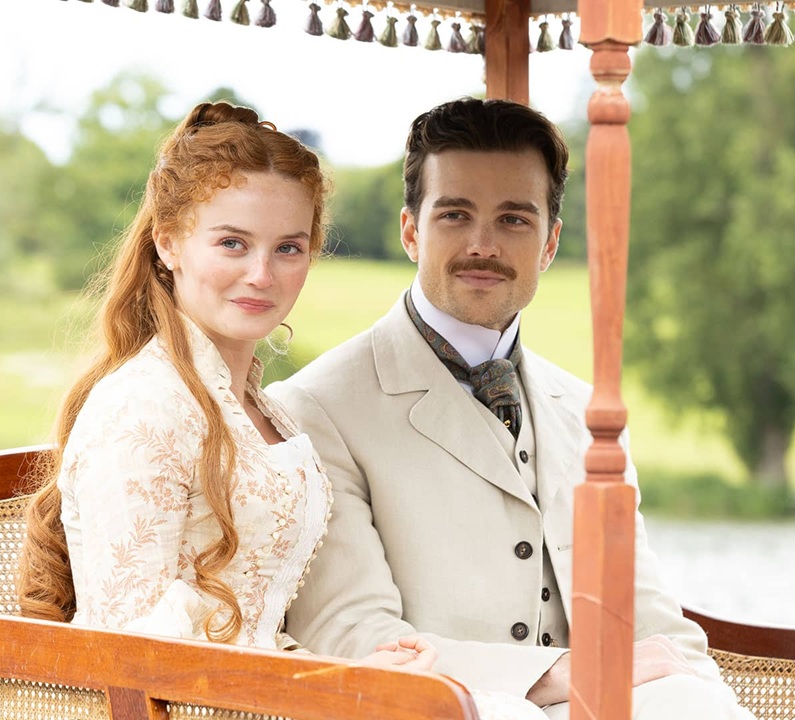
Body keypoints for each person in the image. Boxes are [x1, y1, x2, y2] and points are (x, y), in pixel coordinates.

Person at [14, 100, 547, 720]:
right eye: (233, 243)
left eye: (288, 248)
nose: (261, 275)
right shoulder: (143, 409)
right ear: (168, 242)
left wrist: (352, 675)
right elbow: (131, 655)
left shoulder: (261, 409)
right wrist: (323, 690)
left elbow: (256, 631)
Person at [267, 98, 754, 720]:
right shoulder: (315, 409)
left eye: (514, 220)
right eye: (455, 215)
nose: (482, 245)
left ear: (549, 243)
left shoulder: (588, 412)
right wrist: (558, 675)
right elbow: (354, 636)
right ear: (411, 231)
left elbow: (652, 626)